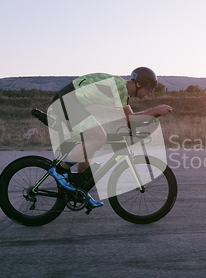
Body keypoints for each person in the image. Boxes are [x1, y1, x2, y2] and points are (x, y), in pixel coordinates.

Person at [47, 67, 172, 208]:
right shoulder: (119, 87)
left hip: (70, 101)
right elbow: (130, 118)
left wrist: (146, 121)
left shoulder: (122, 91)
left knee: (89, 149)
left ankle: (79, 191)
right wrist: (155, 110)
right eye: (150, 87)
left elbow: (130, 120)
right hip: (67, 101)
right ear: (139, 84)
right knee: (99, 138)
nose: (150, 92)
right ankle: (59, 170)